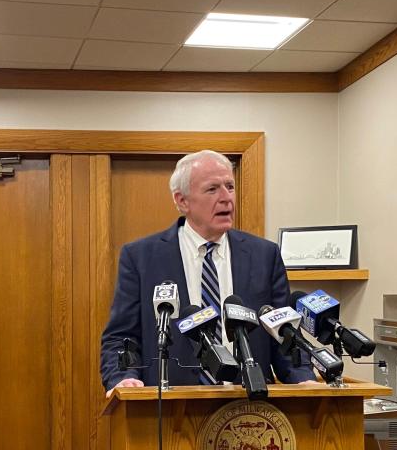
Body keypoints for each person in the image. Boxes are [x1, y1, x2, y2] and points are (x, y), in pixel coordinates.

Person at [100, 150, 315, 392]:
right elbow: (121, 337)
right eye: (212, 189)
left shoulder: (264, 255)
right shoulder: (141, 257)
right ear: (182, 201)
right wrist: (122, 378)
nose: (226, 198)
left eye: (230, 186)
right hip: (170, 411)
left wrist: (303, 379)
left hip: (249, 409)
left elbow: (285, 338)